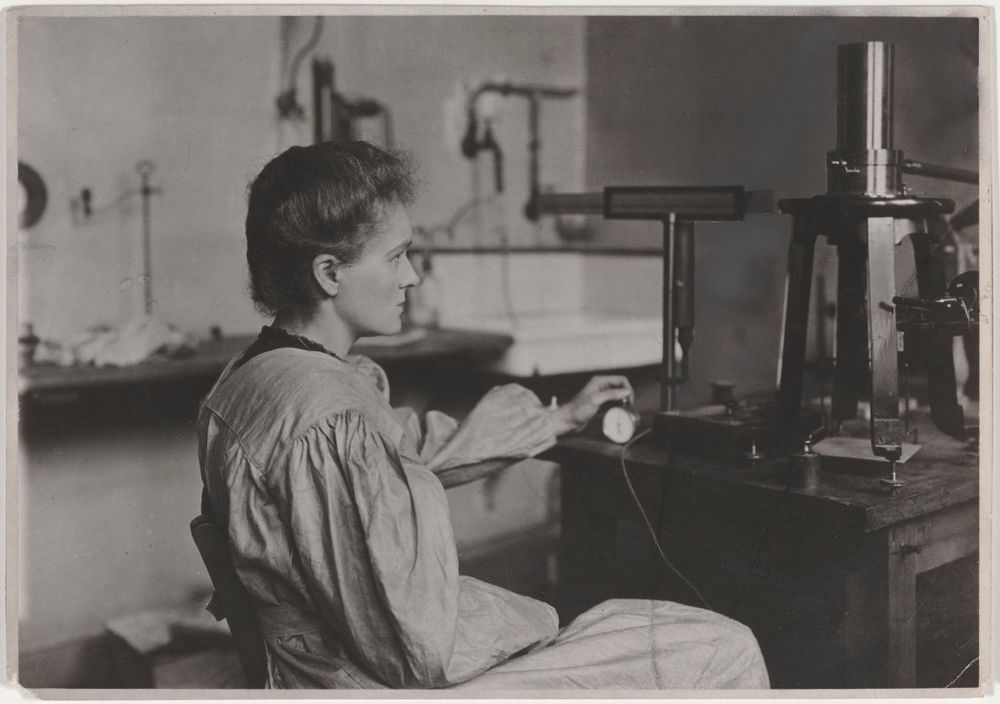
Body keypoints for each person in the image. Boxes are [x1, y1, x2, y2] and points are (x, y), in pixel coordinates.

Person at [197, 141, 770, 690]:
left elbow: (403, 451)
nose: (411, 276)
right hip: (370, 685)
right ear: (329, 274)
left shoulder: (259, 375)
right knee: (720, 646)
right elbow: (414, 648)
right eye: (396, 257)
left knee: (612, 623)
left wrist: (556, 418)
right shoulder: (329, 416)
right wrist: (526, 629)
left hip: (315, 672)